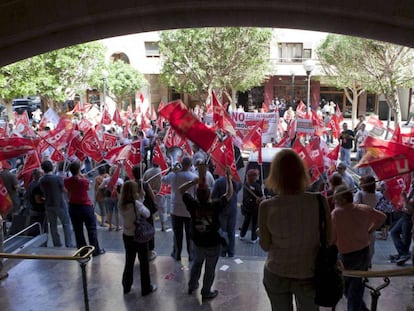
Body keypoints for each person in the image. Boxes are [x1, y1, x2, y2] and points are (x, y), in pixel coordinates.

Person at [258, 149, 331, 311]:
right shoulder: (320, 201)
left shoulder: (266, 206)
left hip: (276, 272)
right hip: (309, 274)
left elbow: (265, 246)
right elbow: (329, 240)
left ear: (275, 175)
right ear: (302, 172)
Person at [179, 165, 234, 300]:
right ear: (210, 194)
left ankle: (192, 285)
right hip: (213, 243)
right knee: (210, 269)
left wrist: (193, 182)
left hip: (198, 242)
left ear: (196, 195)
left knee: (196, 265)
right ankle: (206, 291)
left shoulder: (193, 205)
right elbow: (229, 194)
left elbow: (180, 190)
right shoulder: (215, 205)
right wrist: (228, 178)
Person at [331, 185, 386, 311]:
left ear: (343, 199)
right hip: (363, 252)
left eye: (336, 198)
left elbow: (332, 238)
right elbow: (383, 217)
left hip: (346, 256)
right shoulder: (364, 209)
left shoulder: (336, 214)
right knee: (356, 288)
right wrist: (370, 230)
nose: (334, 201)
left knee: (348, 288)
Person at [119, 180, 157, 296]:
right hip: (138, 237)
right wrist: (142, 198)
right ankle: (146, 288)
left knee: (129, 261)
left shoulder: (121, 203)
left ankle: (126, 286)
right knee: (144, 263)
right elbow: (147, 214)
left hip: (127, 235)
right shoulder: (137, 204)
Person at [64, 161, 105, 257]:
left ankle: (82, 251)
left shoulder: (66, 180)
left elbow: (67, 188)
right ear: (79, 170)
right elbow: (88, 187)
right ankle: (95, 250)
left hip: (73, 207)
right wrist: (82, 176)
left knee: (78, 231)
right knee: (91, 229)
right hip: (85, 206)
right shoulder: (83, 181)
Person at [161, 157, 197, 261]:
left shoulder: (173, 175)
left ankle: (177, 254)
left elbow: (163, 180)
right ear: (190, 165)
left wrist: (170, 169)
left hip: (175, 209)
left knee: (177, 234)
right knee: (190, 235)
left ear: (181, 164)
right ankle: (191, 255)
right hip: (189, 210)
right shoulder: (194, 176)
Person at [39, 160, 74, 248]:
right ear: (51, 167)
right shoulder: (57, 178)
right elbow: (64, 190)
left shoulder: (41, 180)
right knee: (66, 224)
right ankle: (69, 244)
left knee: (53, 225)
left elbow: (42, 191)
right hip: (60, 204)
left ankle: (57, 244)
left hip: (48, 204)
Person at [211, 169, 241, 257]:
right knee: (231, 231)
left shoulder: (218, 182)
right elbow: (239, 187)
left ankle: (223, 251)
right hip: (233, 209)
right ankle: (231, 252)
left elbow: (213, 196)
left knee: (223, 231)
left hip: (222, 210)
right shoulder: (235, 181)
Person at [353, 175, 382, 266]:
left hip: (360, 221)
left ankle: (361, 264)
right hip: (371, 221)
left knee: (359, 245)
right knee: (370, 245)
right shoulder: (378, 195)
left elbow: (354, 206)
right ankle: (368, 262)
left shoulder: (360, 194)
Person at [133, 164, 158, 261]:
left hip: (135, 211)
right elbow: (153, 197)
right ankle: (149, 252)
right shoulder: (145, 184)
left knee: (138, 230)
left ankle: (139, 251)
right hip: (146, 210)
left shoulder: (130, 184)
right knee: (149, 230)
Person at [389, 179, 414, 266]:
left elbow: (411, 210)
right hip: (405, 216)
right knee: (394, 232)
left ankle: (404, 254)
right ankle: (403, 253)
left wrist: (405, 198)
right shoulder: (411, 188)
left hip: (409, 218)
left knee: (405, 238)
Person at [239, 169, 264, 243]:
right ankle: (254, 238)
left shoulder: (246, 184)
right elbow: (261, 196)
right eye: (256, 175)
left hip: (247, 207)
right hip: (255, 208)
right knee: (254, 223)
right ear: (254, 177)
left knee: (246, 221)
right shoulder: (257, 186)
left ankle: (242, 235)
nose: (258, 176)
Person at [99, 165, 123, 231]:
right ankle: (118, 227)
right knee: (117, 212)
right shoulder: (120, 180)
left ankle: (110, 226)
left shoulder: (106, 179)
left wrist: (107, 187)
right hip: (117, 197)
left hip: (108, 197)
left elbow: (100, 187)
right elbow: (122, 190)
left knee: (109, 212)